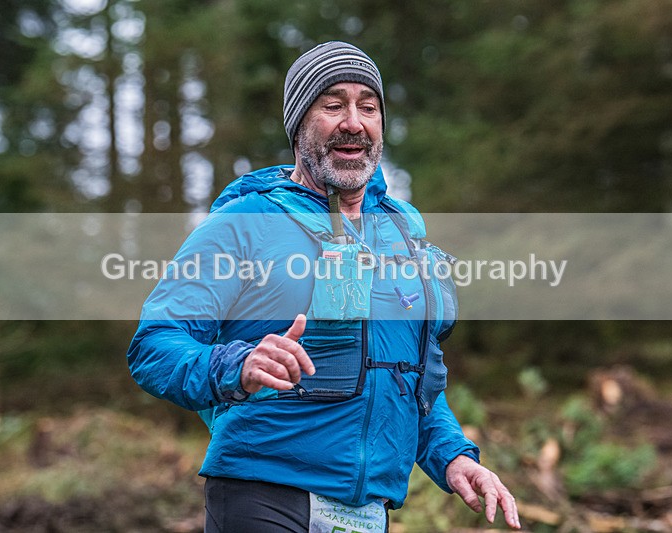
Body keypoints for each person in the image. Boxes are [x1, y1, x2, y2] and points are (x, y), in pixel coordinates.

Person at [127, 41, 520, 532]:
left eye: (368, 107)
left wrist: (451, 456)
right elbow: (153, 347)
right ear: (299, 125)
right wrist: (238, 363)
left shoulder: (402, 236)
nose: (353, 122)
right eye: (333, 105)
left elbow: (406, 379)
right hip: (263, 495)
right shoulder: (243, 224)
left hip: (367, 511)